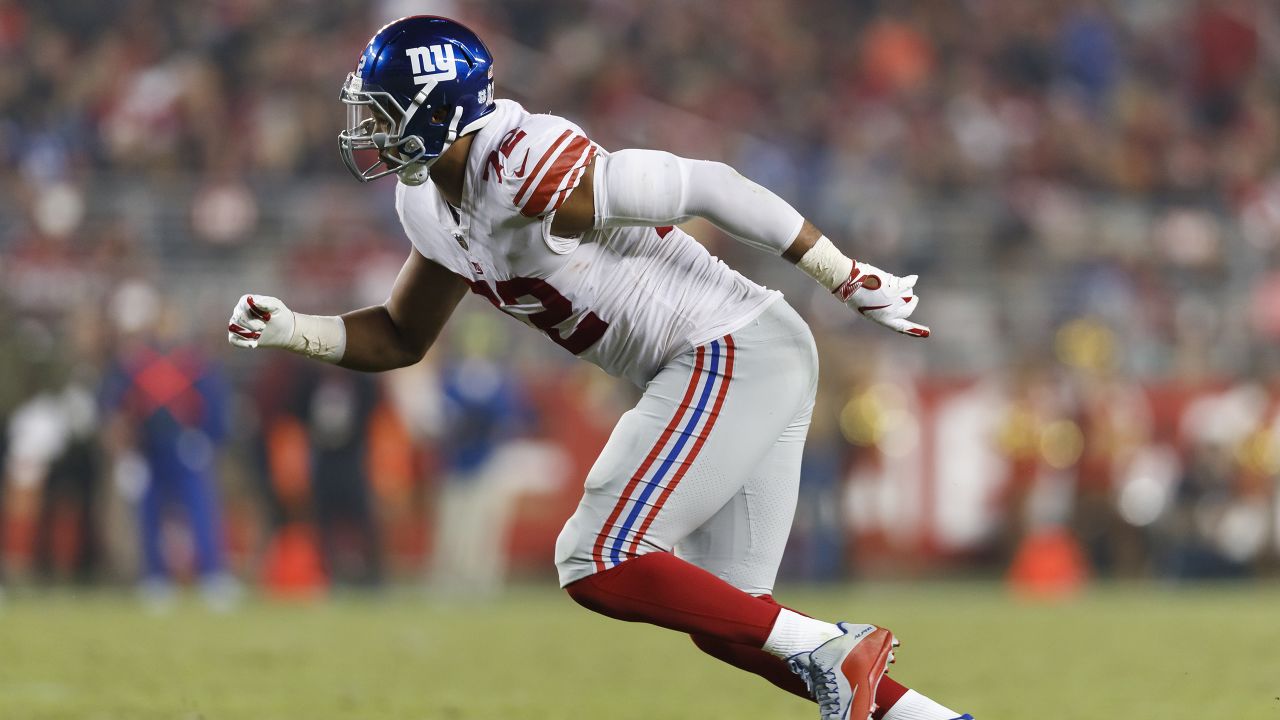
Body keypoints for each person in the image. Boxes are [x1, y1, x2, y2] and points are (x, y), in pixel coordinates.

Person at [227, 16, 969, 720]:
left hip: (728, 347)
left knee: (598, 556)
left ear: (438, 112)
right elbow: (399, 334)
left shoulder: (525, 167)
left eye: (384, 109)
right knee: (726, 617)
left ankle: (827, 648)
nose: (369, 127)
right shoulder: (426, 203)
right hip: (740, 355)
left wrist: (840, 273)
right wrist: (294, 329)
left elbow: (707, 184)